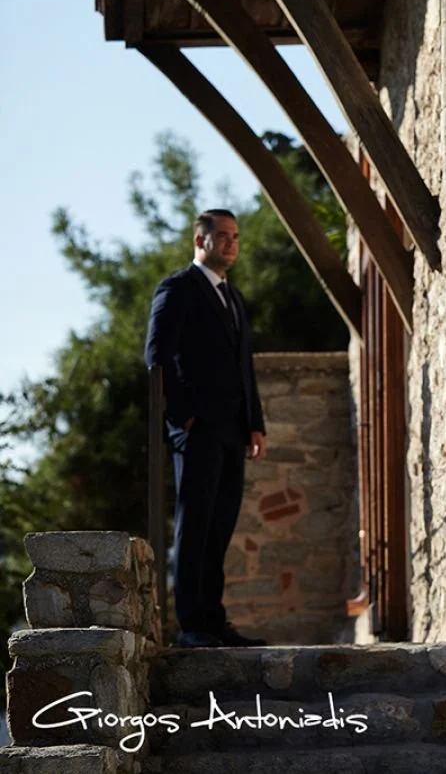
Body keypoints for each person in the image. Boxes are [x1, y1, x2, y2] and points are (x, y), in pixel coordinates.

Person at [145, 209, 267, 648]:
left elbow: (243, 367)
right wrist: (184, 416)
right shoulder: (177, 289)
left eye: (235, 237)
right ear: (200, 241)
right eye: (222, 237)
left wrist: (255, 425)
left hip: (233, 432)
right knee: (194, 525)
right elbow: (158, 357)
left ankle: (213, 620)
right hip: (197, 431)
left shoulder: (233, 298)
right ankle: (191, 625)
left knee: (220, 527)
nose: (231, 244)